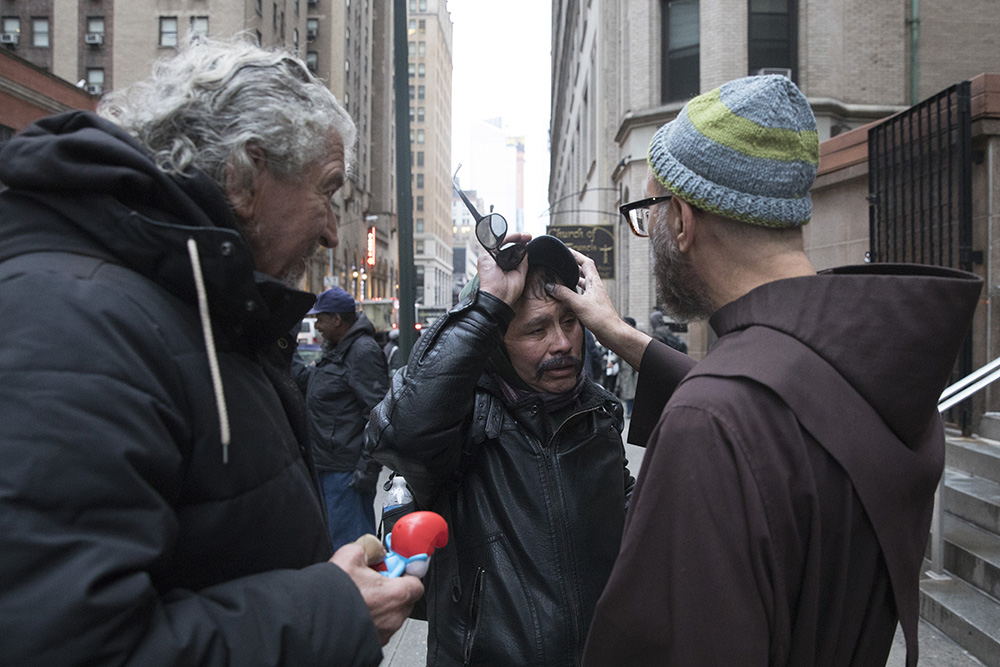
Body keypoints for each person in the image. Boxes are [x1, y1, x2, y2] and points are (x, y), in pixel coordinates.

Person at [0, 36, 422, 665]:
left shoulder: (196, 310)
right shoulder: (75, 322)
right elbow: (70, 644)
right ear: (246, 176)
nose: (333, 228)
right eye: (327, 192)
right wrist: (330, 610)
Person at [546, 75, 982, 666]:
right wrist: (619, 333)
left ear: (682, 219)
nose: (649, 234)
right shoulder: (879, 365)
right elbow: (787, 399)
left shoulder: (711, 423)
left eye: (647, 212)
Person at [365, 235, 634, 666]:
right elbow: (400, 435)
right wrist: (483, 309)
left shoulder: (599, 411)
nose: (562, 343)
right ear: (495, 343)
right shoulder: (467, 418)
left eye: (570, 321)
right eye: (536, 329)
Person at [294, 287, 389, 551]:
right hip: (330, 467)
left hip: (346, 473)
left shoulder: (361, 351)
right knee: (339, 548)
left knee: (354, 552)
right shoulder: (337, 349)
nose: (317, 325)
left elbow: (378, 413)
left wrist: (367, 470)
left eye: (320, 318)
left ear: (336, 319)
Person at [615, 317, 639, 419]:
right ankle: (630, 411)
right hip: (627, 370)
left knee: (633, 392)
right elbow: (619, 351)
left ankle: (632, 411)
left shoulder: (637, 336)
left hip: (634, 370)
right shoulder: (624, 336)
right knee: (629, 392)